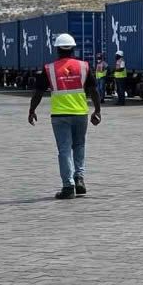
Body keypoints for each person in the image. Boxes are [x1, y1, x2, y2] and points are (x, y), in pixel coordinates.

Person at [28, 33, 102, 200]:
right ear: (73, 49)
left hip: (60, 115)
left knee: (64, 150)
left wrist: (32, 110)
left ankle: (68, 186)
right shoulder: (84, 66)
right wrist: (97, 110)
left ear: (57, 50)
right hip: (80, 114)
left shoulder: (49, 69)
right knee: (79, 146)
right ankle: (79, 178)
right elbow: (94, 90)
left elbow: (38, 92)